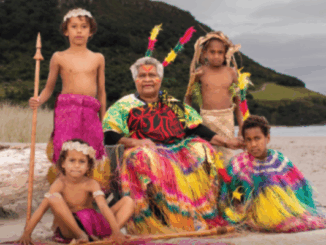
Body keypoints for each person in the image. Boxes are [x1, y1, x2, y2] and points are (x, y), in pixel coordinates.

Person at [102, 57, 243, 235]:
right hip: (147, 151)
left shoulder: (173, 104)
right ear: (135, 80)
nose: (147, 80)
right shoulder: (124, 105)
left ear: (159, 79)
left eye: (151, 75)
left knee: (203, 150)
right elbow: (109, 134)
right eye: (142, 75)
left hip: (177, 151)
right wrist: (133, 142)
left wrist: (226, 141)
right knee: (141, 157)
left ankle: (198, 213)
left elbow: (195, 127)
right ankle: (158, 217)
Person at [219, 115, 326, 232]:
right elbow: (232, 189)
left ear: (267, 138)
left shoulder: (279, 161)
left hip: (276, 206)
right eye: (248, 140)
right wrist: (240, 207)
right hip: (249, 209)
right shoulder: (239, 164)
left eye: (257, 138)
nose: (253, 144)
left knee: (294, 220)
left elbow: (296, 186)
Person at [17, 139, 134, 244]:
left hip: (93, 225)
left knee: (128, 201)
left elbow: (103, 207)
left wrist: (116, 230)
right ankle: (81, 235)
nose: (77, 166)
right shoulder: (59, 183)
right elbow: (41, 209)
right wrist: (27, 233)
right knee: (53, 197)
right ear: (63, 164)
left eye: (82, 162)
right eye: (72, 161)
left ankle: (111, 236)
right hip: (71, 228)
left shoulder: (91, 184)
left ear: (88, 166)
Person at [28, 8, 106, 165]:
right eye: (74, 26)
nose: (79, 31)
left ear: (91, 32)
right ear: (65, 31)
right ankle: (64, 182)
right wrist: (39, 99)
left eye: (84, 27)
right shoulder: (59, 57)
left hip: (91, 109)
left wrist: (104, 119)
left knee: (92, 147)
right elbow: (49, 88)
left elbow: (102, 91)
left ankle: (89, 183)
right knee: (65, 146)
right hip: (67, 109)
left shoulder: (98, 58)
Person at [184, 31, 243, 165]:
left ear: (226, 53)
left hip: (227, 119)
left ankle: (226, 184)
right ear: (204, 53)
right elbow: (188, 97)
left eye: (220, 52)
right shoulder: (200, 73)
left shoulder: (231, 73)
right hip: (206, 120)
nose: (216, 56)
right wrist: (189, 122)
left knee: (227, 157)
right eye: (212, 52)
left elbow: (238, 101)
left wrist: (241, 126)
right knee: (207, 157)